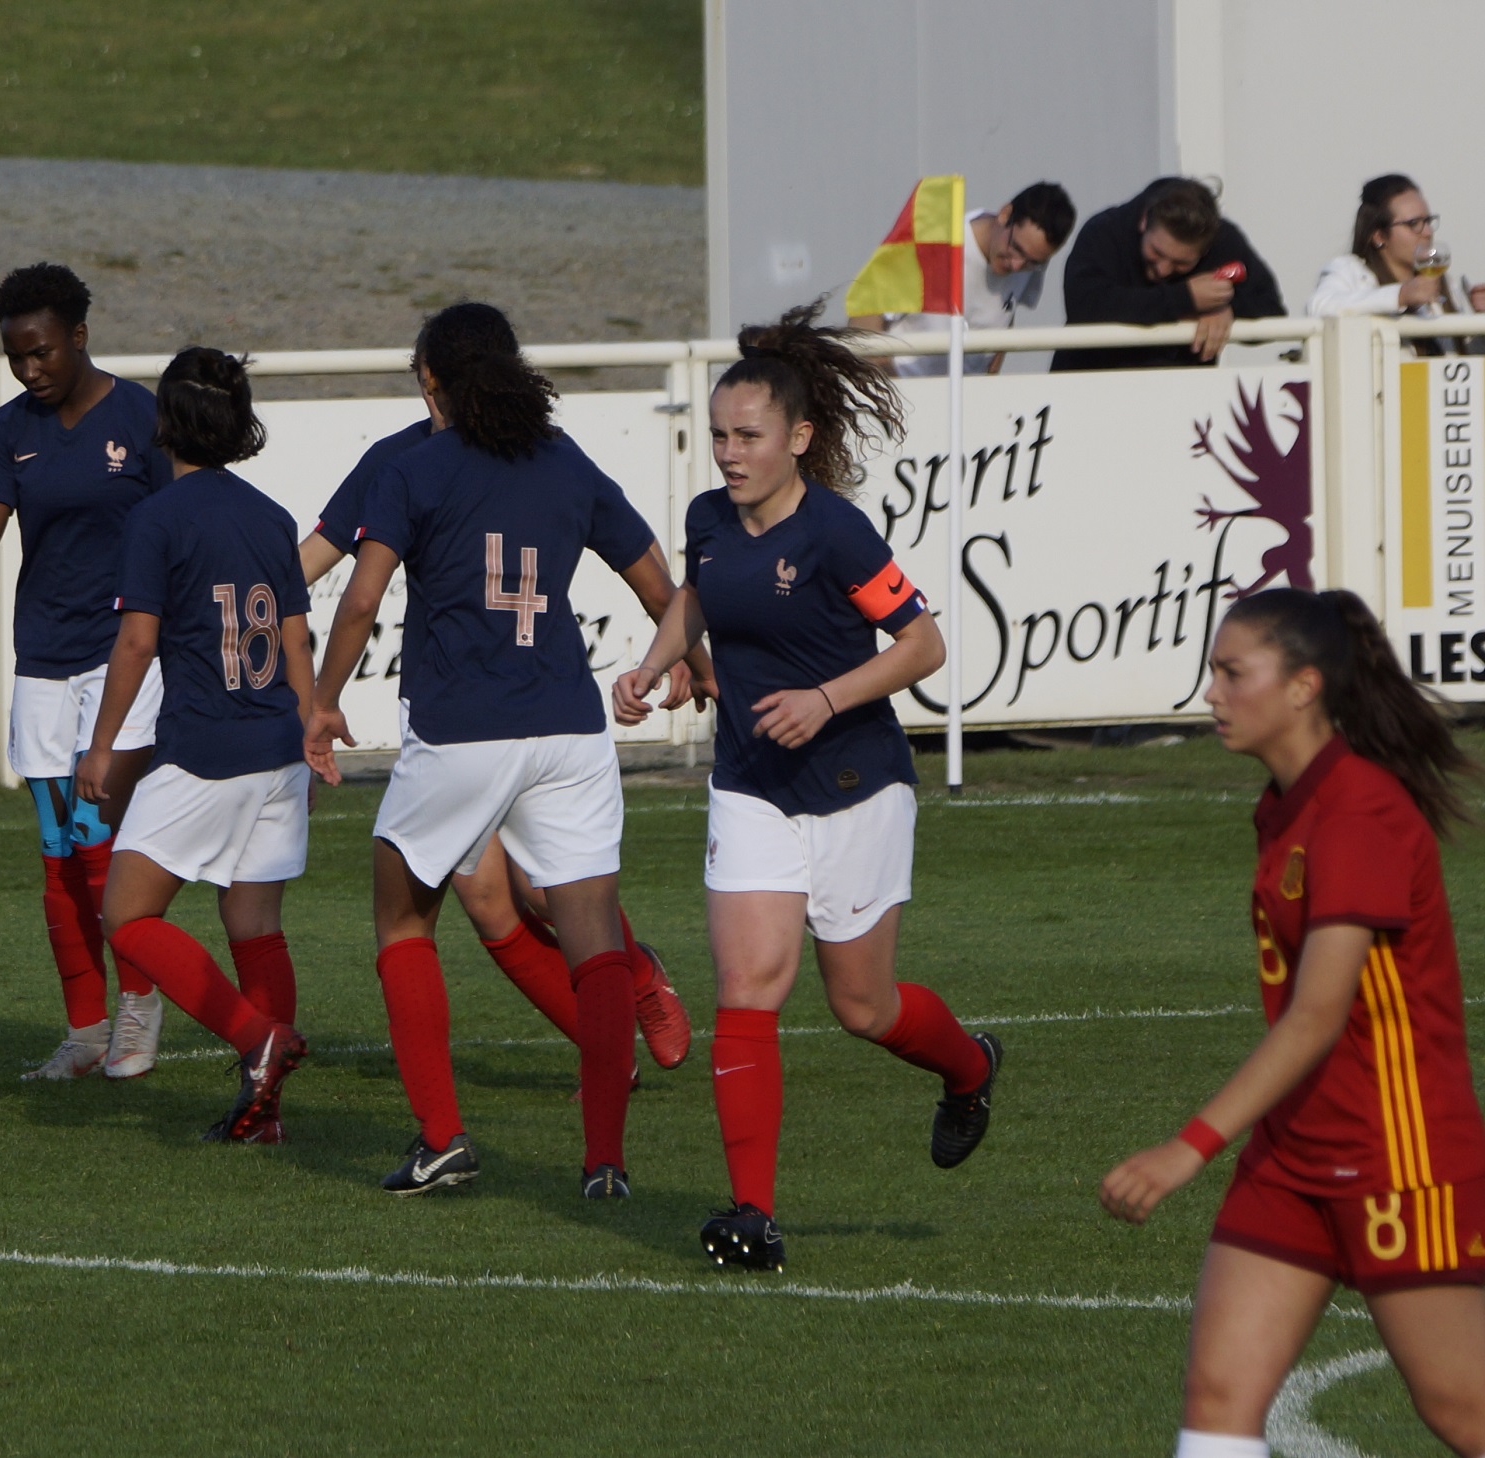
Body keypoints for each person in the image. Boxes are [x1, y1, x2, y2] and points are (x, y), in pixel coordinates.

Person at [614, 303, 1002, 1273]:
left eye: (747, 437)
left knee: (861, 1008)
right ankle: (751, 1214)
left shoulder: (836, 534)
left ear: (799, 438)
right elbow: (695, 593)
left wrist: (825, 697)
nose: (728, 453)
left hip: (856, 784)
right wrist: (657, 659)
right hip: (750, 783)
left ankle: (968, 1067)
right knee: (747, 986)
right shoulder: (706, 520)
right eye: (717, 435)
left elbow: (922, 645)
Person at [304, 301, 697, 1200]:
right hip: (569, 724)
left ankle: (442, 1139)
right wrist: (693, 661)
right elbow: (654, 580)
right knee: (595, 939)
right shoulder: (563, 460)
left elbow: (359, 603)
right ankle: (606, 1164)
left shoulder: (413, 467)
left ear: (430, 379)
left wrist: (323, 703)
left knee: (403, 920)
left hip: (462, 729)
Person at [1101, 588, 1485, 1458]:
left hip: (1399, 1155)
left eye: (1235, 673)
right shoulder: (1289, 804)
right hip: (1295, 1156)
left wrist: (1187, 1146)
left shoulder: (1359, 812)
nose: (1213, 693)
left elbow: (1317, 1017)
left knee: (1464, 1411)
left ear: (1305, 686)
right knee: (1219, 1395)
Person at [0, 264, 173, 1082]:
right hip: (41, 661)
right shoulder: (8, 431)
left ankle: (139, 1012)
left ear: (79, 335)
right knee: (55, 859)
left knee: (105, 851)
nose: (29, 368)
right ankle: (84, 1031)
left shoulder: (143, 419)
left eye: (41, 351)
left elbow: (182, 533)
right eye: (15, 355)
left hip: (121, 661)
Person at [77, 346, 313, 1144]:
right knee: (256, 925)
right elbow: (294, 638)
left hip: (207, 748)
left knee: (127, 915)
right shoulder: (272, 516)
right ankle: (262, 1112)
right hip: (278, 744)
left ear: (165, 423)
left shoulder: (156, 517)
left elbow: (137, 642)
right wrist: (313, 720)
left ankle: (258, 1040)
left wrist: (101, 746)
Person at [1051, 177, 1284, 371]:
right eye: (1156, 252)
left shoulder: (1225, 242)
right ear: (1144, 220)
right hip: (1089, 390)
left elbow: (1271, 313)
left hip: (1181, 400)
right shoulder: (1104, 232)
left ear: (1205, 251)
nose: (1163, 269)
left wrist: (1227, 310)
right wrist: (1185, 298)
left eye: (1181, 263)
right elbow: (1084, 308)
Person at [849, 181, 1076, 376]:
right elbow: (865, 312)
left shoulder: (1030, 264)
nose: (1017, 265)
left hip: (968, 404)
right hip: (904, 397)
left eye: (1032, 261)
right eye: (1015, 248)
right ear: (1005, 214)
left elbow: (1005, 319)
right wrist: (891, 394)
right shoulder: (936, 243)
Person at [1306, 174, 1485, 357]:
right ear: (1379, 236)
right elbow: (1320, 306)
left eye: (1428, 221)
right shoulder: (1349, 270)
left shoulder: (1445, 283)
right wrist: (1401, 295)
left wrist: (1480, 319)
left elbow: (1466, 361)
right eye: (1413, 224)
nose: (1427, 232)